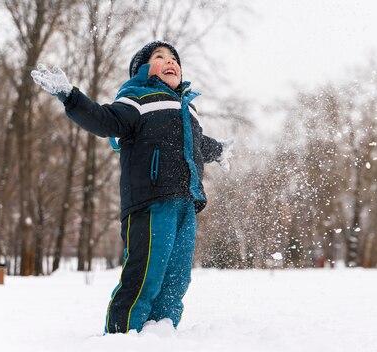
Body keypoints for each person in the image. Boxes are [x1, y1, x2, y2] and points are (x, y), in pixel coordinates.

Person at [31, 41, 233, 334]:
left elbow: (198, 143)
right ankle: (122, 336)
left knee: (176, 280)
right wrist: (71, 97)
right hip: (150, 204)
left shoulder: (189, 109)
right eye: (159, 57)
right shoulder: (137, 97)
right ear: (142, 69)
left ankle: (161, 333)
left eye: (174, 58)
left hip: (186, 203)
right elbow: (105, 120)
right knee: (145, 276)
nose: (170, 61)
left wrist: (219, 151)